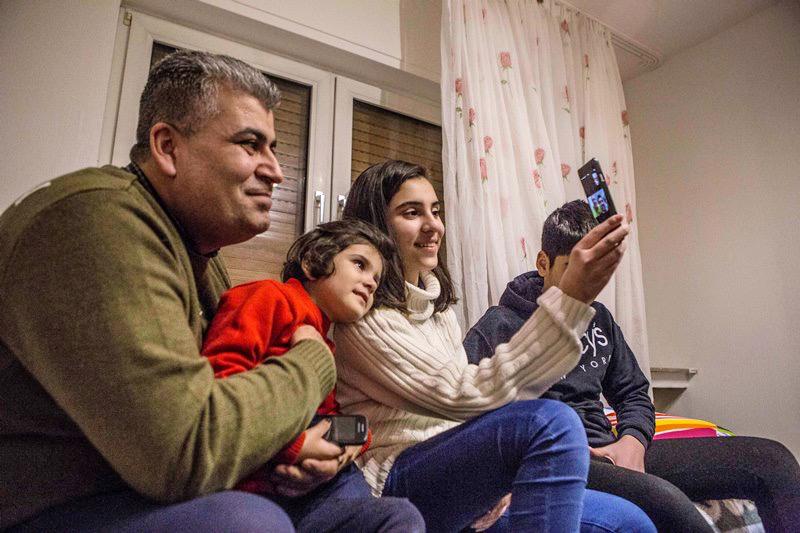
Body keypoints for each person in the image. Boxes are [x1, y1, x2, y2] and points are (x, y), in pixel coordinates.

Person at [0, 50, 422, 532]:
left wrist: (335, 445)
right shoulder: (96, 219)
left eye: (273, 148)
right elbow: (186, 450)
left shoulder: (203, 256)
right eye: (250, 144)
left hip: (176, 491)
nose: (276, 170)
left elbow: (247, 414)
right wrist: (312, 362)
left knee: (391, 520)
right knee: (249, 522)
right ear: (167, 146)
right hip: (61, 506)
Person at [333, 160, 656, 532]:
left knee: (632, 524)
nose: (433, 225)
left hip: (452, 463)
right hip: (397, 476)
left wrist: (492, 475)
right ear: (377, 225)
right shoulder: (363, 317)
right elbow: (462, 395)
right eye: (411, 212)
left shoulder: (438, 313)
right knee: (553, 421)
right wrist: (571, 302)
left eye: (435, 211)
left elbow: (464, 419)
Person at [464, 199, 800, 532]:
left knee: (772, 460)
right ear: (543, 263)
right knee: (665, 501)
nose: (586, 281)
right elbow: (465, 423)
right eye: (573, 267)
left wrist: (633, 442)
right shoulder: (498, 326)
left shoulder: (599, 318)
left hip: (615, 450)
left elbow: (634, 393)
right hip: (561, 459)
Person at [202, 219, 404, 529]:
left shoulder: (323, 342)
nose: (371, 283)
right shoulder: (269, 296)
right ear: (313, 261)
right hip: (257, 484)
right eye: (359, 264)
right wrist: (293, 446)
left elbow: (331, 417)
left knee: (400, 514)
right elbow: (219, 388)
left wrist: (352, 443)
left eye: (376, 278)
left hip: (313, 489)